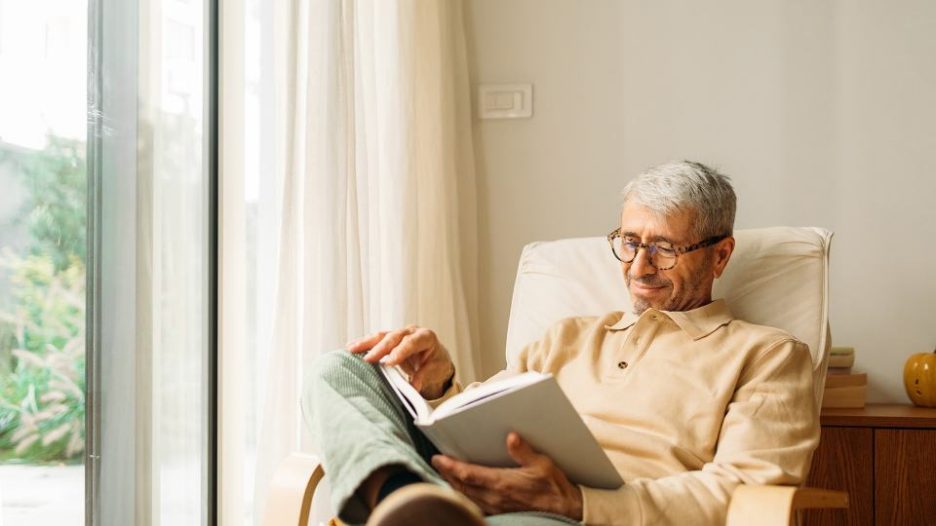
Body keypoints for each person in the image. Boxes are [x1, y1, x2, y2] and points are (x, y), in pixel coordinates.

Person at [303, 160, 819, 526]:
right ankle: (404, 500)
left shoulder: (767, 356)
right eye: (630, 242)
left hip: (576, 518)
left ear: (720, 255)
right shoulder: (569, 336)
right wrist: (438, 382)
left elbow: (741, 489)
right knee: (340, 370)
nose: (639, 268)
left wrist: (578, 503)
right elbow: (474, 424)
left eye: (664, 249)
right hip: (473, 493)